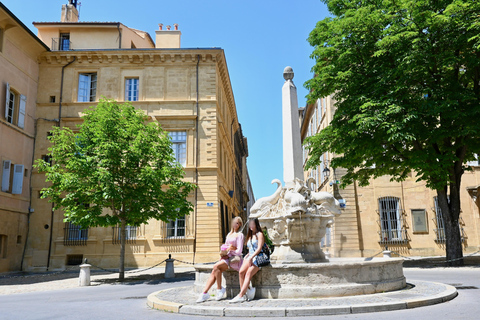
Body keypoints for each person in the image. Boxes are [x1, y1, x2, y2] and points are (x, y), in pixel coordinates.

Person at [196, 216, 244, 303]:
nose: (235, 224)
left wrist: (229, 250)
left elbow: (239, 251)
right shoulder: (229, 234)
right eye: (234, 222)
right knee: (214, 271)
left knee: (215, 267)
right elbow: (225, 247)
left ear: (240, 224)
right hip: (226, 257)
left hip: (233, 259)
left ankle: (219, 289)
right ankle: (204, 293)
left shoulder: (240, 235)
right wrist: (224, 252)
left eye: (237, 223)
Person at [230, 218, 264, 303]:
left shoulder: (260, 234)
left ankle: (241, 295)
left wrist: (252, 257)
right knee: (241, 272)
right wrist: (247, 256)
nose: (251, 226)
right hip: (250, 257)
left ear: (256, 224)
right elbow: (250, 249)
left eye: (253, 224)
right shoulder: (250, 235)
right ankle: (244, 293)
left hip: (257, 257)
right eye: (250, 224)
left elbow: (259, 248)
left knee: (248, 273)